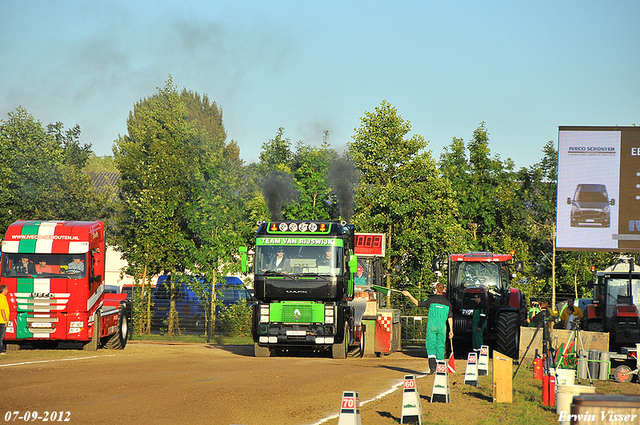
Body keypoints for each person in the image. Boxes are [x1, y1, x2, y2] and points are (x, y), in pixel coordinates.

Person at [402, 283, 454, 374]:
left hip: (432, 326)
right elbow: (450, 317)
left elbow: (418, 303)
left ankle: (432, 369)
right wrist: (451, 330)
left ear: (436, 290)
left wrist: (409, 295)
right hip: (442, 327)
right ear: (443, 290)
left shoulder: (431, 300)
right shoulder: (448, 303)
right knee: (440, 346)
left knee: (431, 346)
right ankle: (440, 368)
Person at [0, 284, 9, 355]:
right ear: (4, 290)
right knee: (1, 337)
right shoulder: (2, 298)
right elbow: (2, 310)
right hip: (1, 321)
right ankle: (0, 350)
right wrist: (5, 320)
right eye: (6, 289)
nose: (7, 291)